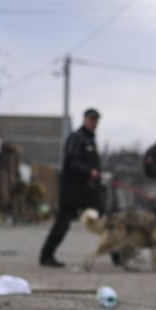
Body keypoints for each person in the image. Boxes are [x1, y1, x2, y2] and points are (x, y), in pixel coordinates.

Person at [40, 108, 103, 267]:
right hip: (72, 190)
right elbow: (71, 162)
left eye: (96, 120)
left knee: (104, 218)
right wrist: (90, 171)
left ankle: (117, 255)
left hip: (87, 190)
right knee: (62, 223)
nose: (93, 123)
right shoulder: (77, 138)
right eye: (91, 119)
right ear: (85, 119)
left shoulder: (90, 140)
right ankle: (46, 256)